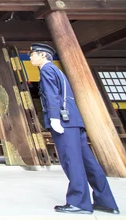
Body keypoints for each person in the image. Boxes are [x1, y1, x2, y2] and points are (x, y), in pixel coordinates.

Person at [30, 43, 119, 215]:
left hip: (63, 121)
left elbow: (51, 95)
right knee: (89, 163)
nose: (31, 57)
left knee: (72, 161)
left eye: (33, 54)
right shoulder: (58, 71)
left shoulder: (47, 70)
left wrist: (54, 117)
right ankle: (106, 201)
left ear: (43, 55)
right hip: (73, 121)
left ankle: (79, 202)